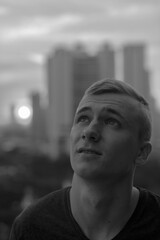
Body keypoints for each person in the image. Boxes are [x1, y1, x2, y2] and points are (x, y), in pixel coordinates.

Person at [10, 79, 160, 240]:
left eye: (111, 121)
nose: (89, 131)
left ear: (142, 152)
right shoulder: (31, 227)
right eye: (83, 119)